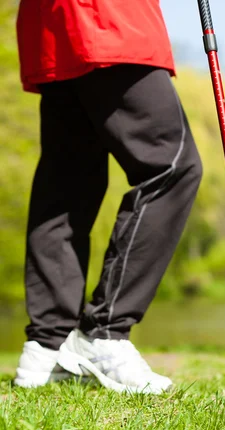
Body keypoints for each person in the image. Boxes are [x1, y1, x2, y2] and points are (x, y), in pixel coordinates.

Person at [14, 1, 202, 393]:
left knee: (67, 184)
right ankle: (105, 332)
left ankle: (47, 347)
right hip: (109, 20)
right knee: (171, 166)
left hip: (53, 26)